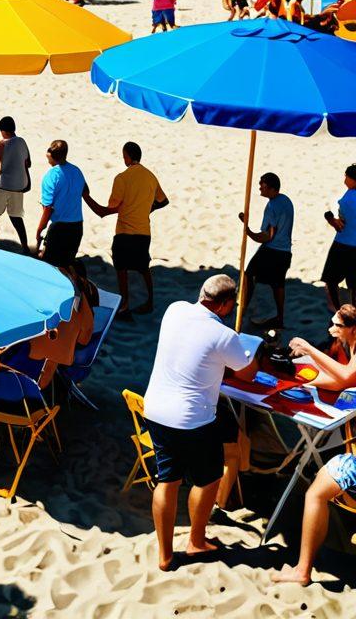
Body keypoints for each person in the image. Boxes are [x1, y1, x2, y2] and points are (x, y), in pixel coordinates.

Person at [143, 275, 260, 572]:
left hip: (155, 409)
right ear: (225, 305)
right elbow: (249, 373)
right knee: (207, 479)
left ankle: (165, 555)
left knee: (167, 480)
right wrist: (249, 350)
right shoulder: (223, 335)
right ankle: (196, 540)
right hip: (192, 418)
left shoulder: (175, 309)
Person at [270, 304, 356, 586]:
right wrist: (307, 376)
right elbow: (342, 379)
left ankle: (302, 571)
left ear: (353, 329)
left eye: (337, 326)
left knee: (315, 493)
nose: (331, 330)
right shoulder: (349, 349)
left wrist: (308, 349)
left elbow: (346, 378)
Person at [88, 142, 168, 318]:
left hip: (124, 231)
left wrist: (86, 197)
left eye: (124, 156)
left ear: (128, 157)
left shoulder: (122, 178)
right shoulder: (150, 177)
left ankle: (124, 304)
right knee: (143, 266)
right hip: (143, 231)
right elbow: (163, 201)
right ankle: (150, 301)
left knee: (121, 267)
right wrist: (148, 209)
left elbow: (110, 207)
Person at [238, 171, 295, 329]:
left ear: (271, 188)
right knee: (278, 284)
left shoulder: (272, 206)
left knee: (249, 275)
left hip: (272, 251)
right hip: (285, 251)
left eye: (262, 185)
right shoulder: (286, 200)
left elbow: (267, 236)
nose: (259, 188)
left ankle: (242, 309)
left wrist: (247, 230)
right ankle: (279, 318)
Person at [36, 139, 98, 267]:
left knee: (49, 266)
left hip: (59, 228)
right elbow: (86, 191)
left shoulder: (51, 176)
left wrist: (39, 230)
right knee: (66, 265)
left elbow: (48, 208)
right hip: (77, 227)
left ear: (51, 156)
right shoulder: (77, 171)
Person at [0, 117, 32, 252]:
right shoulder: (22, 141)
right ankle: (25, 246)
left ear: (2, 131)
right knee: (16, 217)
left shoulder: (2, 144)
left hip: (6, 185)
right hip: (20, 185)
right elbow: (28, 163)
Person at [321, 163, 356, 311]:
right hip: (351, 244)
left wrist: (329, 218)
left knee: (331, 280)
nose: (344, 179)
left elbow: (340, 225)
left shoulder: (348, 199)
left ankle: (336, 309)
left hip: (343, 244)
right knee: (354, 285)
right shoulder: (349, 194)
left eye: (346, 176)